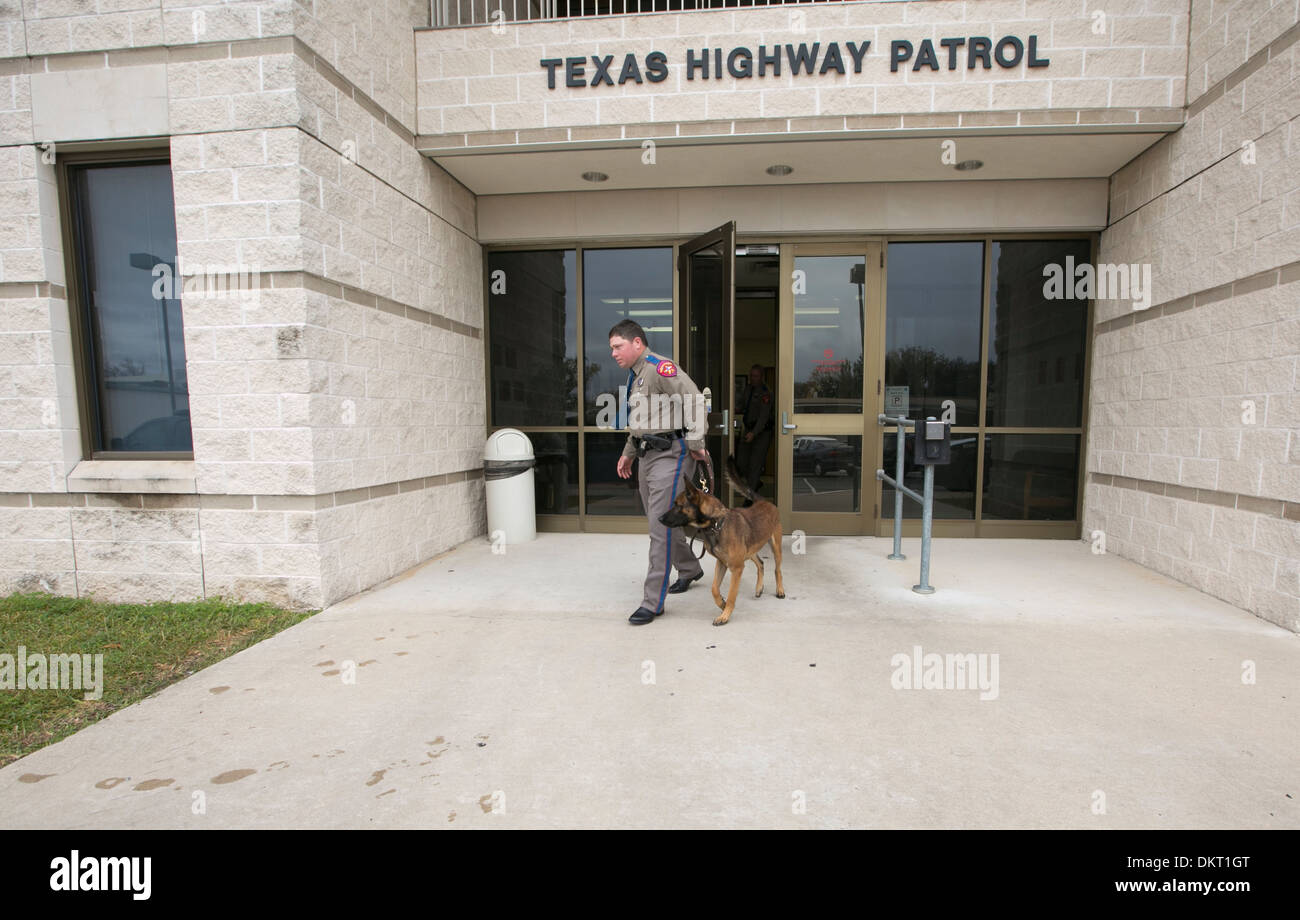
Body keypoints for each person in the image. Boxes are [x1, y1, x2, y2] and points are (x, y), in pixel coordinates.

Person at [610, 319, 710, 626]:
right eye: (612, 347)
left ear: (637, 343)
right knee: (661, 522)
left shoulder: (659, 367)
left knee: (659, 528)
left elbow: (695, 399)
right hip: (647, 456)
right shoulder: (636, 376)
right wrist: (628, 453)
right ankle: (690, 569)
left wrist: (695, 442)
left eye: (618, 346)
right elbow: (640, 422)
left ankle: (653, 602)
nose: (613, 353)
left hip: (672, 454)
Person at [735, 364, 774, 504]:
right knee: (741, 461)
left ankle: (749, 497)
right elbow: (742, 405)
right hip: (748, 429)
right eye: (751, 375)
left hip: (761, 432)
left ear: (762, 377)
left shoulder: (765, 393)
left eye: (756, 376)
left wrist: (754, 433)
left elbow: (763, 417)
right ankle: (755, 483)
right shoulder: (748, 389)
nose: (753, 378)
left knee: (755, 464)